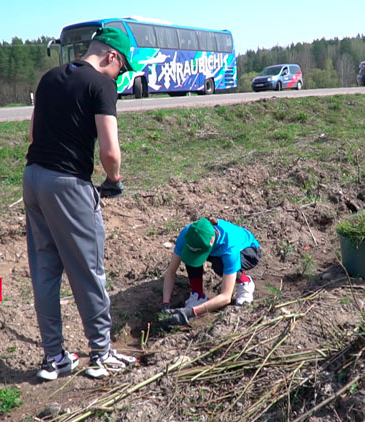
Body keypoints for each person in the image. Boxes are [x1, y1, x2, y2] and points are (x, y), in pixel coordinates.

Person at [23, 27, 135, 380]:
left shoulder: (49, 78)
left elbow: (31, 134)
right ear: (111, 56)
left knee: (45, 271)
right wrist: (113, 179)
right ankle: (100, 354)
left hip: (33, 178)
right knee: (88, 270)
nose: (120, 75)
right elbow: (109, 150)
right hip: (69, 184)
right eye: (122, 68)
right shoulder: (102, 85)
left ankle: (54, 357)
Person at [161, 217, 261, 325]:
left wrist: (190, 312)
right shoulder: (189, 234)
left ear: (212, 241)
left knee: (220, 266)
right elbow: (171, 271)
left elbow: (226, 297)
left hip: (248, 251)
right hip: (215, 250)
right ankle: (198, 295)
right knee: (191, 257)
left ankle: (245, 282)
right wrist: (165, 303)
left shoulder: (229, 246)